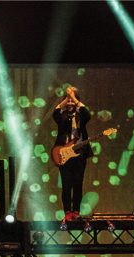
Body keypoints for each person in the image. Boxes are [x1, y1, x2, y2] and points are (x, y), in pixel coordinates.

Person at [53, 86, 92, 221]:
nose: (70, 102)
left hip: (80, 154)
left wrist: (74, 98)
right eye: (67, 100)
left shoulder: (81, 115)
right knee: (66, 184)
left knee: (78, 183)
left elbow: (87, 114)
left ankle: (76, 211)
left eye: (72, 100)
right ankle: (67, 212)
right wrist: (66, 98)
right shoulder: (62, 116)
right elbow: (55, 113)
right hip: (64, 154)